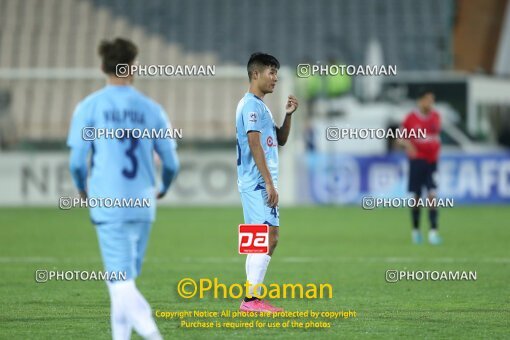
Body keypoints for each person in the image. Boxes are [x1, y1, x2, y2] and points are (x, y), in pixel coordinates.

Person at [67, 38, 179, 339]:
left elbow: (77, 161)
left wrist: (81, 189)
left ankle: (153, 334)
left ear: (103, 66)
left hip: (109, 205)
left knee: (120, 282)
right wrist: (164, 188)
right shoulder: (152, 109)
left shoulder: (90, 107)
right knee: (123, 280)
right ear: (133, 67)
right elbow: (171, 163)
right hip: (143, 205)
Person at [235, 53, 298, 312]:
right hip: (258, 182)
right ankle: (251, 300)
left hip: (257, 182)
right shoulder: (250, 106)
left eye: (276, 73)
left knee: (260, 238)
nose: (275, 78)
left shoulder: (260, 107)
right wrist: (270, 184)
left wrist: (288, 115)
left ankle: (251, 299)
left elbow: (279, 140)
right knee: (268, 238)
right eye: (271, 72)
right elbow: (253, 143)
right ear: (255, 74)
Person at [398, 89, 442, 245]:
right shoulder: (411, 118)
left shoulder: (436, 117)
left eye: (432, 100)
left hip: (432, 163)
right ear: (420, 101)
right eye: (428, 100)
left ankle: (433, 231)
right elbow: (400, 138)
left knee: (432, 195)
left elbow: (436, 137)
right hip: (417, 162)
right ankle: (416, 231)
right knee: (416, 197)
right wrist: (409, 146)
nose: (431, 103)